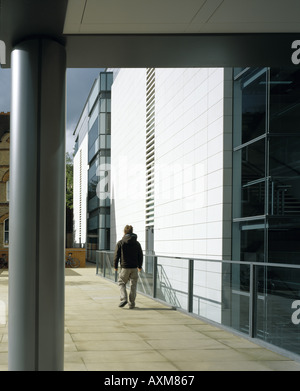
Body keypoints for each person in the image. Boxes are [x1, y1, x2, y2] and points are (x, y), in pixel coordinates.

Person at [113, 225, 143, 309]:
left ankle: (124, 298)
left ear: (125, 232)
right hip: (134, 268)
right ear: (132, 232)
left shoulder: (121, 242)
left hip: (125, 267)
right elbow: (140, 255)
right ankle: (132, 304)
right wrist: (139, 266)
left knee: (121, 282)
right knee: (133, 286)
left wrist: (115, 266)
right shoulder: (137, 243)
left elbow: (116, 255)